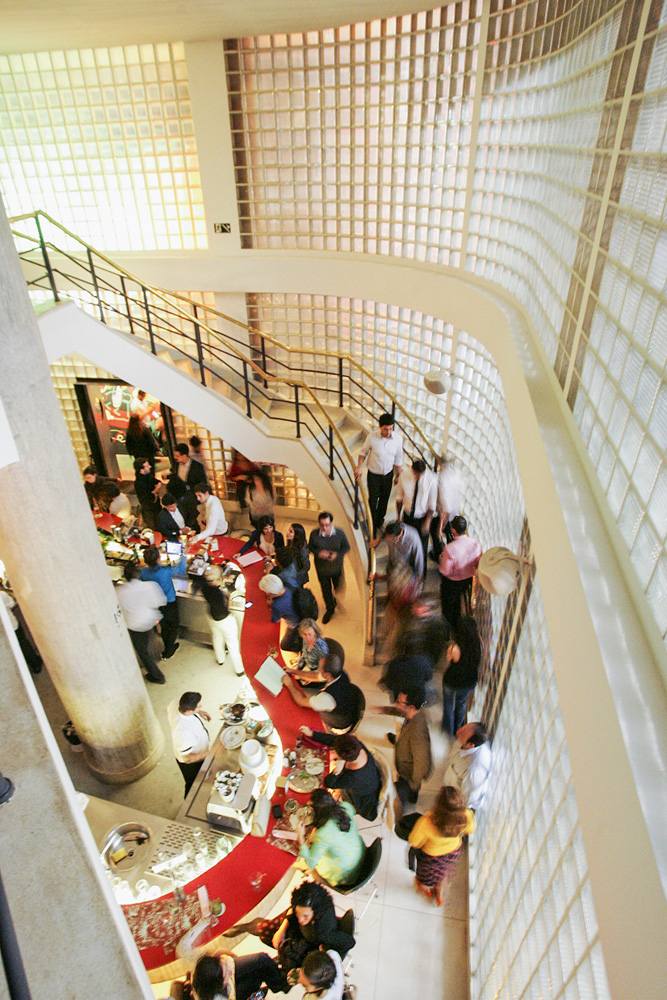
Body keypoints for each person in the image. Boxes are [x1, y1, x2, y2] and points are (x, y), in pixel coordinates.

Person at [223, 880, 354, 970]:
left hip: (303, 942)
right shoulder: (312, 902)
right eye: (299, 913)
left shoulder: (324, 932)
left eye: (305, 916)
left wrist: (326, 952)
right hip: (295, 927)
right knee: (263, 928)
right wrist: (283, 928)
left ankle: (278, 956)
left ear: (316, 912)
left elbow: (350, 942)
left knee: (264, 934)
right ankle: (244, 928)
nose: (301, 919)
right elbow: (294, 910)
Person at [408, 786, 475, 906]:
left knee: (426, 876)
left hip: (431, 856)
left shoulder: (427, 821)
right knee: (445, 872)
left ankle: (426, 888)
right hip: (453, 851)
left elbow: (414, 841)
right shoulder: (467, 815)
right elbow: (470, 829)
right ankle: (440, 893)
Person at [375, 685, 432, 814]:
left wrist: (412, 785)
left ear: (411, 707)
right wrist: (385, 710)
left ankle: (410, 799)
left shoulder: (417, 732)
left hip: (409, 774)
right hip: (406, 766)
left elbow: (422, 762)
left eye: (400, 702)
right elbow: (402, 711)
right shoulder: (415, 712)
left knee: (406, 793)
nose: (396, 703)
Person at [301, 730, 381, 821]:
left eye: (336, 753)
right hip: (371, 779)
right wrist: (312, 734)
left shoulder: (352, 778)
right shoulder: (356, 747)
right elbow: (336, 740)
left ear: (343, 758)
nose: (334, 753)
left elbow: (329, 783)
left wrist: (336, 771)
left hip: (362, 795)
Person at [296, 788, 365, 887]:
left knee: (303, 858)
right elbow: (351, 811)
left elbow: (311, 863)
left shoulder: (323, 835)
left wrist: (301, 838)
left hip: (344, 873)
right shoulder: (345, 806)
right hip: (360, 854)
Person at [284, 652, 360, 733]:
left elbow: (300, 701)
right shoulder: (339, 673)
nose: (318, 669)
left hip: (338, 725)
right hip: (345, 707)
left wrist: (289, 684)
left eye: (320, 669)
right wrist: (293, 671)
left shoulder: (327, 698)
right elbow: (315, 676)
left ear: (327, 675)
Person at [354, 412, 403, 536]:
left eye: (391, 429)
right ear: (380, 426)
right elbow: (363, 453)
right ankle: (372, 525)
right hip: (374, 474)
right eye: (385, 429)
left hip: (388, 474)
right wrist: (359, 467)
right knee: (373, 501)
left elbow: (398, 459)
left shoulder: (398, 439)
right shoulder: (372, 437)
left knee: (384, 500)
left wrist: (398, 475)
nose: (388, 432)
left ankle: (379, 521)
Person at [116, 561, 166, 683]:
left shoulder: (119, 591)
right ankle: (157, 657)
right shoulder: (150, 586)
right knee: (151, 641)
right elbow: (160, 602)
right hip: (150, 620)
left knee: (142, 650)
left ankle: (158, 676)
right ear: (138, 574)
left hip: (134, 625)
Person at [191, 572, 244, 675]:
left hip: (211, 617)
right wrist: (227, 595)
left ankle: (220, 659)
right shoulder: (218, 593)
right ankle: (239, 669)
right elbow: (226, 603)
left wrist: (222, 580)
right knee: (232, 643)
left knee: (217, 637)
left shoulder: (204, 587)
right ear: (215, 581)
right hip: (224, 619)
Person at [139, 545, 186, 660]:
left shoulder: (143, 572)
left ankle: (167, 647)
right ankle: (169, 650)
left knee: (164, 626)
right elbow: (181, 569)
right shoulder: (165, 571)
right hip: (169, 602)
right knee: (174, 625)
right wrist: (183, 555)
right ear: (159, 559)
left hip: (156, 604)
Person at [438, 515, 482, 629]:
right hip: (467, 580)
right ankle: (458, 623)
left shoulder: (450, 548)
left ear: (453, 530)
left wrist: (441, 559)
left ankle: (449, 626)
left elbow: (445, 571)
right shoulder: (475, 543)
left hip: (452, 582)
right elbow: (478, 563)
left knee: (448, 605)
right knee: (459, 600)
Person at [191, 950, 288, 1000]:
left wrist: (204, 921)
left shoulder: (200, 963)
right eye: (225, 975)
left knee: (261, 959)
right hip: (233, 994)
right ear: (219, 984)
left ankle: (279, 983)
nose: (228, 971)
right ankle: (280, 982)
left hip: (232, 975)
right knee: (258, 974)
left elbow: (182, 947)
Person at [441, 616, 482, 736]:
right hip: (469, 681)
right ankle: (458, 729)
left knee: (448, 706)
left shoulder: (455, 648)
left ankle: (447, 731)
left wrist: (450, 648)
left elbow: (448, 659)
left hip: (452, 680)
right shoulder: (478, 643)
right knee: (461, 704)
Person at [308, 511, 350, 624]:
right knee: (326, 590)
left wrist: (337, 555)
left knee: (338, 587)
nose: (324, 527)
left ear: (331, 523)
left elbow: (346, 547)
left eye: (327, 525)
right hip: (322, 569)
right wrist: (318, 553)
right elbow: (310, 547)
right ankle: (330, 609)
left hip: (336, 568)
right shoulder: (314, 534)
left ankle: (336, 601)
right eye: (322, 525)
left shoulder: (340, 534)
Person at [395, 458, 438, 570]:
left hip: (422, 517)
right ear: (412, 470)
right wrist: (398, 516)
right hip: (408, 516)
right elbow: (399, 499)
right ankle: (408, 569)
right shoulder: (404, 477)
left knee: (421, 548)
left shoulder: (431, 479)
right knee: (407, 544)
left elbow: (432, 505)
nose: (419, 476)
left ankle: (421, 574)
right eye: (417, 474)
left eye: (421, 474)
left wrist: (427, 522)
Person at [167, 691, 212, 796]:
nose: (201, 706)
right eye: (198, 706)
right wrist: (210, 753)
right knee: (192, 784)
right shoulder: (182, 732)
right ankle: (187, 804)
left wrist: (199, 711)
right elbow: (188, 758)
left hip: (197, 751)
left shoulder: (176, 704)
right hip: (192, 763)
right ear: (189, 711)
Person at [442, 722, 492, 811]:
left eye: (462, 733)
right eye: (462, 728)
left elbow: (466, 799)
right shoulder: (464, 742)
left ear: (470, 745)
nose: (458, 732)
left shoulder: (474, 771)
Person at [0, 584, 43, 674]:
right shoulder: (2, 595)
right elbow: (12, 604)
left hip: (3, 631)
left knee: (13, 650)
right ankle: (36, 664)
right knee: (23, 643)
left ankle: (23, 669)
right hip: (13, 625)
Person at [431, 456, 466, 559]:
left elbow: (446, 508)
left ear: (440, 464)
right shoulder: (456, 474)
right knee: (452, 536)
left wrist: (440, 526)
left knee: (435, 531)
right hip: (456, 511)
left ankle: (439, 555)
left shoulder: (443, 479)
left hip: (447, 514)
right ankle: (452, 555)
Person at [167, 443, 206, 529]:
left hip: (191, 497)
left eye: (177, 456)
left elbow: (202, 483)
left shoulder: (197, 466)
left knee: (192, 518)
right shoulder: (176, 464)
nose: (175, 457)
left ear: (184, 455)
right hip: (179, 496)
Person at [282, 618, 329, 687]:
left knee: (294, 685)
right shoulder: (305, 640)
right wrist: (298, 667)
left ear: (315, 632)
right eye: (304, 634)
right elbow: (304, 654)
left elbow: (323, 670)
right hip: (307, 664)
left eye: (310, 634)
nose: (307, 638)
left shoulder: (321, 649)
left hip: (314, 672)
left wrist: (302, 677)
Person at [133, 458, 161, 530]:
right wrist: (155, 491)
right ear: (141, 469)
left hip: (156, 506)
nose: (150, 466)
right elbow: (147, 497)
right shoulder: (139, 483)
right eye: (147, 465)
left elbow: (158, 482)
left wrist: (153, 492)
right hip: (149, 509)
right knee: (153, 528)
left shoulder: (148, 476)